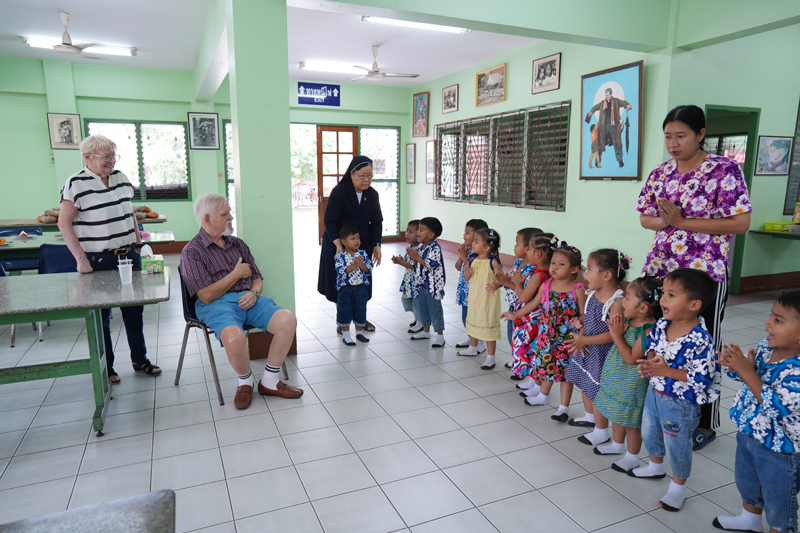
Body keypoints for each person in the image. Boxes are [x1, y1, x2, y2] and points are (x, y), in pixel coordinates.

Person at [636, 104, 752, 450]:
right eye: (668, 136)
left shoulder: (724, 170)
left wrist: (682, 221)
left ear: (701, 134)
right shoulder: (661, 173)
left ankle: (704, 421)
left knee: (703, 345)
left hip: (704, 275)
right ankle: (662, 407)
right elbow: (645, 218)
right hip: (663, 270)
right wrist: (666, 221)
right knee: (661, 340)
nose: (673, 143)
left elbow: (740, 223)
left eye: (681, 136)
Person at [181, 193, 302, 410]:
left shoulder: (238, 244)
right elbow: (206, 296)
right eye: (225, 214)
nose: (231, 217)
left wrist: (254, 293)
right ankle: (245, 382)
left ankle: (269, 381)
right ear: (207, 219)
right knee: (234, 336)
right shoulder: (192, 252)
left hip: (249, 299)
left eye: (230, 212)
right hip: (215, 305)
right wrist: (236, 274)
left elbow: (257, 279)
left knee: (287, 319)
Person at [58, 134, 159, 384]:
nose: (111, 161)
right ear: (87, 157)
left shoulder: (121, 178)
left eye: (114, 156)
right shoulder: (75, 183)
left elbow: (130, 213)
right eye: (106, 156)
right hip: (98, 260)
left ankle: (140, 359)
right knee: (102, 317)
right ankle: (108, 367)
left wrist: (137, 245)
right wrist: (81, 259)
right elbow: (64, 224)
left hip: (128, 256)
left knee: (134, 311)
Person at [630, 268, 720, 512]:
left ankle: (678, 488)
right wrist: (651, 360)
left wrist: (665, 371)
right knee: (650, 432)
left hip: (680, 403)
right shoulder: (662, 324)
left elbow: (702, 379)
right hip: (655, 392)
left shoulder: (701, 340)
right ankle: (655, 466)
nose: (662, 300)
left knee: (677, 445)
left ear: (694, 305)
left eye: (671, 295)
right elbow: (651, 346)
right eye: (663, 293)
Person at [713, 290, 800, 533]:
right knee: (748, 481)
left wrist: (747, 371)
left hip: (782, 449)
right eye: (771, 315)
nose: (767, 322)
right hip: (750, 431)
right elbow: (748, 376)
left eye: (778, 320)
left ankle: (780, 528)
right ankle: (749, 520)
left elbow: (776, 406)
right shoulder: (766, 346)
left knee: (778, 500)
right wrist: (736, 365)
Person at [502, 238, 585, 417]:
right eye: (553, 262)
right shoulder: (547, 285)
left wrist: (580, 322)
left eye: (561, 264)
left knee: (566, 374)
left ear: (574, 269)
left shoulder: (577, 290)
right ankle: (542, 396)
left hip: (567, 340)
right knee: (547, 366)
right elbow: (533, 304)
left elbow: (583, 314)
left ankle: (563, 408)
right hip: (547, 336)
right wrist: (516, 315)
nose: (554, 267)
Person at [593, 276, 661, 474]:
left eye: (628, 298)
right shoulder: (630, 320)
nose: (623, 301)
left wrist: (616, 335)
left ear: (644, 308)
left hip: (632, 383)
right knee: (618, 413)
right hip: (618, 378)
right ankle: (617, 444)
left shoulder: (647, 330)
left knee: (631, 421)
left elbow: (632, 358)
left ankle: (632, 457)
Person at [565, 249, 628, 444]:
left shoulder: (616, 302)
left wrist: (585, 341)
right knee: (586, 383)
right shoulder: (592, 293)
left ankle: (601, 432)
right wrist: (581, 328)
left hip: (603, 355)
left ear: (607, 275)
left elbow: (613, 335)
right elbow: (589, 318)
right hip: (588, 349)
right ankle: (589, 417)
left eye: (590, 269)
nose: (585, 273)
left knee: (598, 391)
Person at [318, 155, 382, 333]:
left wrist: (377, 244)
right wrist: (338, 244)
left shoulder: (372, 194)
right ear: (352, 174)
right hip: (338, 242)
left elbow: (377, 221)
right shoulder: (340, 191)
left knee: (361, 283)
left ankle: (360, 319)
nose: (366, 180)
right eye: (362, 176)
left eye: (370, 175)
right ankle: (343, 321)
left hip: (362, 244)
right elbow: (329, 220)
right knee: (342, 284)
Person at [492, 228, 543, 369]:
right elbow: (510, 279)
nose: (514, 247)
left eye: (517, 243)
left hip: (525, 310)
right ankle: (517, 359)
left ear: (528, 249)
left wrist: (507, 282)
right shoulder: (518, 263)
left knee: (523, 339)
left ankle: (523, 364)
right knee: (512, 336)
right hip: (513, 306)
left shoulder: (532, 270)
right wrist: (500, 282)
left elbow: (525, 291)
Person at [512, 233, 553, 389]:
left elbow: (524, 297)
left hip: (531, 320)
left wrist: (518, 283)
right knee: (532, 351)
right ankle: (532, 382)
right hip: (533, 318)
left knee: (529, 349)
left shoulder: (539, 275)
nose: (527, 253)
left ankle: (536, 385)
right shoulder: (541, 272)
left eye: (529, 249)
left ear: (538, 254)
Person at [460, 229, 503, 370]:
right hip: (475, 299)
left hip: (488, 302)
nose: (473, 244)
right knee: (474, 321)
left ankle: (491, 358)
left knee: (488, 327)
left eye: (476, 241)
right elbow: (467, 277)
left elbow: (502, 279)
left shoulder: (493, 262)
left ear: (486, 247)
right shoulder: (473, 259)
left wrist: (496, 285)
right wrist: (467, 273)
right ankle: (472, 348)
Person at [406, 217, 446, 348]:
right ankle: (425, 331)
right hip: (421, 284)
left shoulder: (435, 248)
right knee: (422, 309)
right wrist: (413, 256)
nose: (418, 232)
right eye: (418, 229)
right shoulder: (420, 246)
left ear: (431, 235)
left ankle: (440, 336)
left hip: (433, 286)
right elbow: (416, 263)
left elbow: (430, 264)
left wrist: (416, 256)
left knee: (435, 310)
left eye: (421, 230)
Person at [454, 219, 488, 354]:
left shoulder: (480, 254)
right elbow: (458, 267)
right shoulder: (467, 249)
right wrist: (461, 255)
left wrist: (464, 257)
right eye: (465, 232)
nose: (464, 235)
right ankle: (470, 339)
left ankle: (480, 343)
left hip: (475, 292)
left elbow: (472, 269)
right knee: (466, 317)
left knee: (476, 318)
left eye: (467, 233)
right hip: (465, 291)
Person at [335, 225, 373, 346]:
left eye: (358, 238)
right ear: (344, 242)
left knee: (360, 310)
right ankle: (346, 336)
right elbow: (341, 271)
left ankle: (359, 333)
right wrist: (355, 265)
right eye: (353, 238)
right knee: (345, 310)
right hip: (346, 288)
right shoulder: (341, 255)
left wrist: (361, 265)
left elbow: (369, 269)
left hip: (361, 288)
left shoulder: (363, 253)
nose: (357, 241)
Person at [585, 88, 632, 168]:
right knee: (600, 142)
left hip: (614, 126)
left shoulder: (616, 101)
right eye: (605, 95)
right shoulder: (602, 103)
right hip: (603, 126)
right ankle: (598, 161)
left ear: (610, 95)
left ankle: (620, 160)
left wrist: (627, 105)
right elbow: (595, 107)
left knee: (617, 142)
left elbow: (623, 102)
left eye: (607, 95)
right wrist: (591, 111)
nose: (606, 97)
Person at [391, 220, 422, 332]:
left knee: (416, 302)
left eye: (411, 232)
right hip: (409, 280)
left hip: (416, 282)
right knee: (406, 300)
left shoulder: (418, 249)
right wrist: (401, 260)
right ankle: (417, 318)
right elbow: (408, 262)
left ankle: (420, 322)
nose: (407, 234)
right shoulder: (411, 246)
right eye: (407, 231)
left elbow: (414, 266)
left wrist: (400, 263)